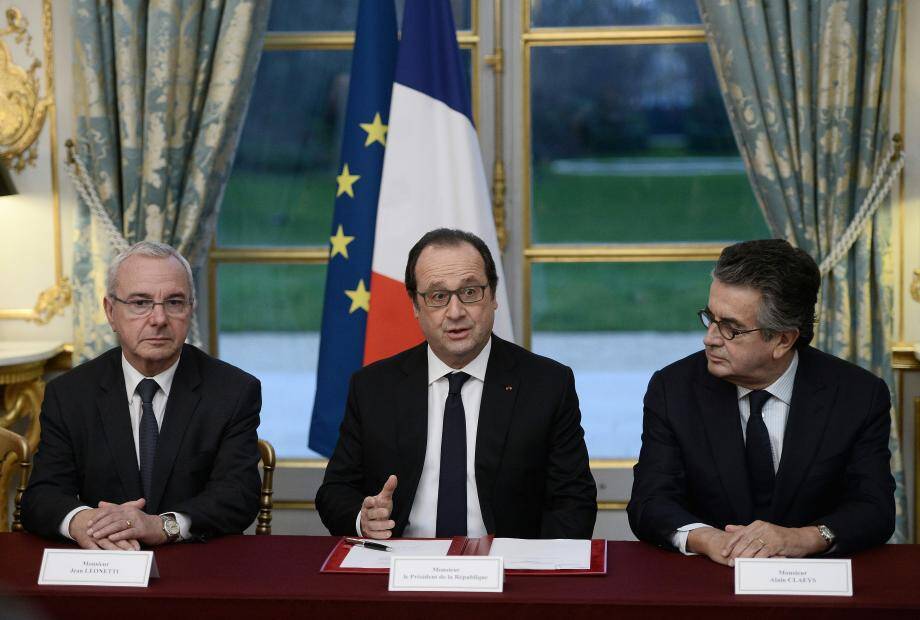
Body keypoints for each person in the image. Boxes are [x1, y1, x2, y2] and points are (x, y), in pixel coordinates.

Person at [317, 228, 597, 540]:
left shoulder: (547, 385)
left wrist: (535, 573)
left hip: (508, 570)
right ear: (415, 306)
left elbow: (574, 502)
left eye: (470, 292)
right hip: (402, 569)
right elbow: (335, 492)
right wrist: (363, 519)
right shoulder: (373, 387)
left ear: (492, 296)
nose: (455, 312)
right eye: (438, 296)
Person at [628, 239, 895, 565]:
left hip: (813, 586)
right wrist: (710, 539)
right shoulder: (673, 389)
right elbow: (649, 502)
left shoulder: (858, 395)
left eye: (730, 328)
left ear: (783, 339)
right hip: (709, 581)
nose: (709, 337)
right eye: (710, 318)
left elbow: (874, 508)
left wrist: (801, 538)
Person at [22, 241, 261, 549]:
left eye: (174, 302)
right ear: (111, 312)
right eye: (140, 302)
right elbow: (42, 495)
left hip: (195, 563)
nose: (159, 319)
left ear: (191, 309)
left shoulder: (233, 391)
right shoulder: (69, 394)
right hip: (102, 561)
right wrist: (83, 522)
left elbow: (238, 496)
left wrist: (163, 525)